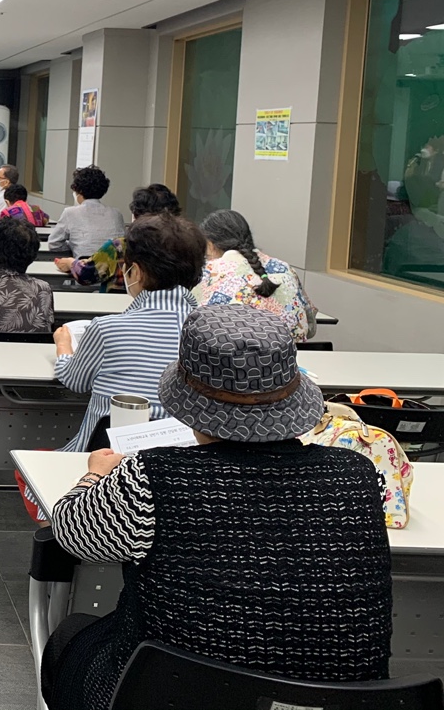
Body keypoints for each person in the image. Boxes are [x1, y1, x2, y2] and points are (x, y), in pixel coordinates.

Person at [42, 304, 391, 710]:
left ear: (190, 403)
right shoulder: (358, 474)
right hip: (343, 703)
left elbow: (72, 532)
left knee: (70, 636)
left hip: (171, 696)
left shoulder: (154, 476)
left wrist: (95, 474)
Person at [52, 214, 205, 451]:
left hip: (104, 461)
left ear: (136, 272)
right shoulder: (210, 336)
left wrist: (63, 346)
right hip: (182, 462)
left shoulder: (106, 329)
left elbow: (75, 381)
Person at [194, 209, 317, 342]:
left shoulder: (208, 272)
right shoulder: (284, 269)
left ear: (210, 245)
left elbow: (191, 324)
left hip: (225, 352)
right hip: (285, 353)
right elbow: (310, 327)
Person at [56, 183, 181, 291]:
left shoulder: (121, 246)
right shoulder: (181, 247)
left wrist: (71, 263)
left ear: (137, 215)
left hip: (118, 304)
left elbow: (87, 274)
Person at [46, 165, 125, 257]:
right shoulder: (116, 214)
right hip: (113, 265)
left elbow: (53, 243)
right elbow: (123, 245)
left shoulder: (70, 213)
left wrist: (73, 247)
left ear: (79, 190)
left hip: (83, 264)